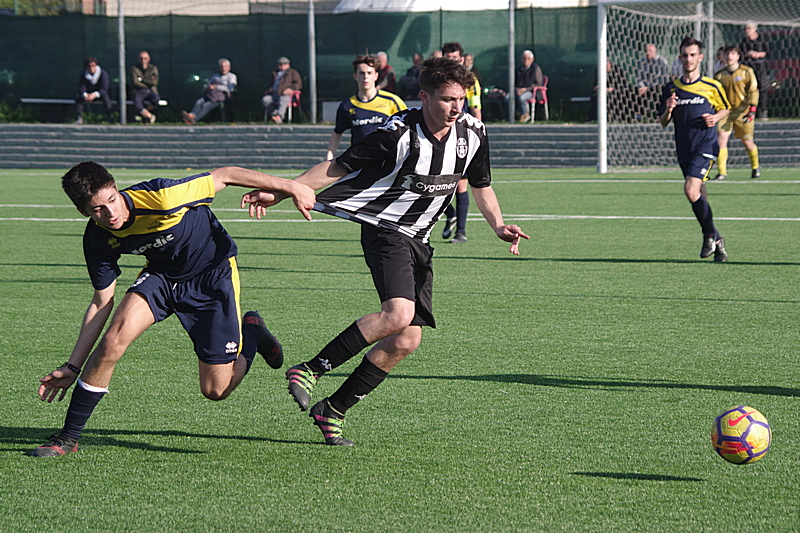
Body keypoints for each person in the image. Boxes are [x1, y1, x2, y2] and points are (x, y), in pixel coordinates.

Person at [241, 57, 529, 446]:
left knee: (406, 339)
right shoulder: (397, 133)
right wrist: (281, 191)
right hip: (385, 229)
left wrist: (497, 225)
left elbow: (480, 184)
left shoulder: (473, 133)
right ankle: (310, 369)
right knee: (399, 313)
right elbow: (338, 167)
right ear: (425, 97)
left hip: (421, 239)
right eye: (447, 99)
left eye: (460, 99)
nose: (456, 108)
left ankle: (333, 410)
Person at [30, 161, 316, 457]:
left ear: (117, 189)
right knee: (112, 341)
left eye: (112, 200)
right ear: (83, 212)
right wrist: (72, 366)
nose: (111, 213)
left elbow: (226, 175)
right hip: (162, 277)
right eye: (98, 209)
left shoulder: (162, 196)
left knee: (216, 390)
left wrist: (292, 187)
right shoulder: (98, 238)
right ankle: (68, 437)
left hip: (212, 275)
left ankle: (252, 332)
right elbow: (101, 302)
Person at [658, 37, 731, 262]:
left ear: (700, 57)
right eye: (684, 55)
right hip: (684, 148)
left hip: (706, 146)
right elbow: (663, 121)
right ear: (680, 58)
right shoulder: (671, 88)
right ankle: (717, 240)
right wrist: (668, 110)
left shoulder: (711, 86)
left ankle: (709, 235)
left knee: (690, 190)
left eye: (692, 55)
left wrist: (715, 117)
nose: (688, 59)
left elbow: (726, 108)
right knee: (699, 195)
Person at [326, 54, 407, 160]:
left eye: (369, 73)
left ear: (376, 76)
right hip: (359, 161)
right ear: (355, 76)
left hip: (387, 160)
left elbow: (410, 126)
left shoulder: (392, 101)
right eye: (361, 73)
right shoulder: (347, 106)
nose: (365, 77)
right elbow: (337, 132)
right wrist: (330, 155)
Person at [440, 41, 482, 244]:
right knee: (431, 182)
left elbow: (476, 108)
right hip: (437, 136)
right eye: (448, 59)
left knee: (461, 185)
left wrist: (478, 139)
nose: (452, 62)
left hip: (460, 137)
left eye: (455, 59)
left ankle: (461, 232)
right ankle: (450, 214)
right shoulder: (436, 80)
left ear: (462, 59)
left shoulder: (471, 81)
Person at [714, 45, 761, 180]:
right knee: (721, 139)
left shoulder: (747, 72)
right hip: (726, 112)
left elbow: (753, 91)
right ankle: (722, 172)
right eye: (727, 54)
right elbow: (715, 94)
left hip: (743, 112)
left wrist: (752, 109)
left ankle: (755, 167)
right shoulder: (719, 75)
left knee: (747, 142)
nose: (729, 56)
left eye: (733, 54)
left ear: (738, 56)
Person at [182, 58, 237, 125]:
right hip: (210, 95)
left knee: (206, 105)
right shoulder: (215, 76)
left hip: (220, 97)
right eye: (222, 67)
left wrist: (216, 87)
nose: (223, 68)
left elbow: (230, 88)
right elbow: (208, 84)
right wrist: (207, 87)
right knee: (199, 102)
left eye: (225, 66)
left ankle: (194, 120)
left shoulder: (232, 76)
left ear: (229, 67)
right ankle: (191, 115)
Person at [740, 23, 769, 119]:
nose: (747, 30)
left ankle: (763, 111)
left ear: (755, 29)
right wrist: (747, 54)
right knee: (749, 88)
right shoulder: (744, 41)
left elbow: (768, 52)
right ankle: (749, 111)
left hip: (761, 67)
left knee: (762, 88)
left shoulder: (763, 39)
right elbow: (741, 55)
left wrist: (758, 54)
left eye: (749, 28)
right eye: (745, 28)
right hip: (749, 68)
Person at [262, 56, 303, 124]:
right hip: (274, 94)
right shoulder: (275, 73)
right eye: (280, 64)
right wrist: (270, 88)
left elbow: (299, 84)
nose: (282, 66)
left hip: (286, 95)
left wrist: (290, 89)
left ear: (288, 65)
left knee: (283, 99)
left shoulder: (293, 72)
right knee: (265, 100)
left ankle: (279, 117)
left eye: (284, 64)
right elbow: (271, 84)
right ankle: (275, 115)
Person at [75, 57, 112, 124]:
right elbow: (82, 88)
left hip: (100, 95)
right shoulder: (84, 74)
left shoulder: (103, 73)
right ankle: (79, 118)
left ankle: (109, 118)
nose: (91, 68)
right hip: (88, 95)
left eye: (93, 66)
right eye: (89, 66)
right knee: (78, 96)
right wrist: (85, 95)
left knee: (106, 97)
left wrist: (94, 94)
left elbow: (104, 89)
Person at [636, 43, 670, 119]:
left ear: (655, 51)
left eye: (650, 51)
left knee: (658, 90)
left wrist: (648, 87)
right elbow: (639, 77)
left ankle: (659, 114)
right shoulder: (642, 62)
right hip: (644, 87)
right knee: (634, 90)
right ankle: (638, 115)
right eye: (646, 51)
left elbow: (662, 78)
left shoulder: (662, 61)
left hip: (657, 86)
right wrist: (642, 86)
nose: (648, 53)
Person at [513, 50, 543, 123]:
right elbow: (515, 82)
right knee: (507, 98)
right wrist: (517, 89)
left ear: (532, 59)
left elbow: (539, 83)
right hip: (518, 91)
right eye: (524, 58)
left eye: (528, 58)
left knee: (521, 98)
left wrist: (525, 89)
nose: (526, 60)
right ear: (521, 59)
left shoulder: (536, 69)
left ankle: (524, 114)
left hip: (531, 92)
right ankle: (513, 115)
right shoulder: (518, 69)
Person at [131, 50, 159, 124]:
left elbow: (154, 82)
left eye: (145, 58)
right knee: (137, 103)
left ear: (149, 59)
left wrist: (142, 80)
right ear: (138, 59)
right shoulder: (134, 68)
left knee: (156, 101)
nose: (143, 60)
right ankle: (150, 116)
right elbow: (135, 82)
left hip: (151, 90)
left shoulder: (153, 68)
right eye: (141, 58)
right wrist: (147, 83)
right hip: (139, 91)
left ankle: (143, 115)